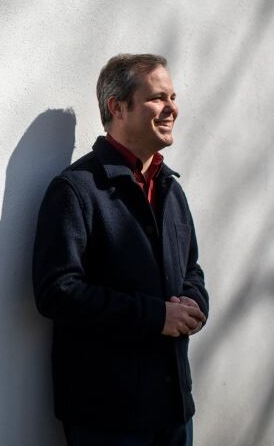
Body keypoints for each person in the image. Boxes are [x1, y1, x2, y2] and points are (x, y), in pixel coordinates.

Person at [32, 54, 209, 446]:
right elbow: (57, 292)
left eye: (173, 97)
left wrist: (194, 306)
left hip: (175, 407)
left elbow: (191, 269)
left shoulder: (170, 189)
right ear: (117, 107)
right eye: (157, 97)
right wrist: (156, 316)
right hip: (108, 418)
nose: (172, 108)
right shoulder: (76, 190)